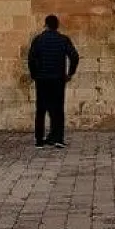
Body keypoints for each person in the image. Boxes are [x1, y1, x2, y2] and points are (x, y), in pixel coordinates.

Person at [26, 14, 79, 149]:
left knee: (41, 110)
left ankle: (39, 139)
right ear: (57, 26)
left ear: (46, 25)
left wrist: (34, 74)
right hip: (57, 79)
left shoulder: (38, 40)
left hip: (42, 79)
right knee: (58, 109)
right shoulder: (63, 40)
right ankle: (58, 138)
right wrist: (70, 73)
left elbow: (31, 58)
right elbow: (74, 56)